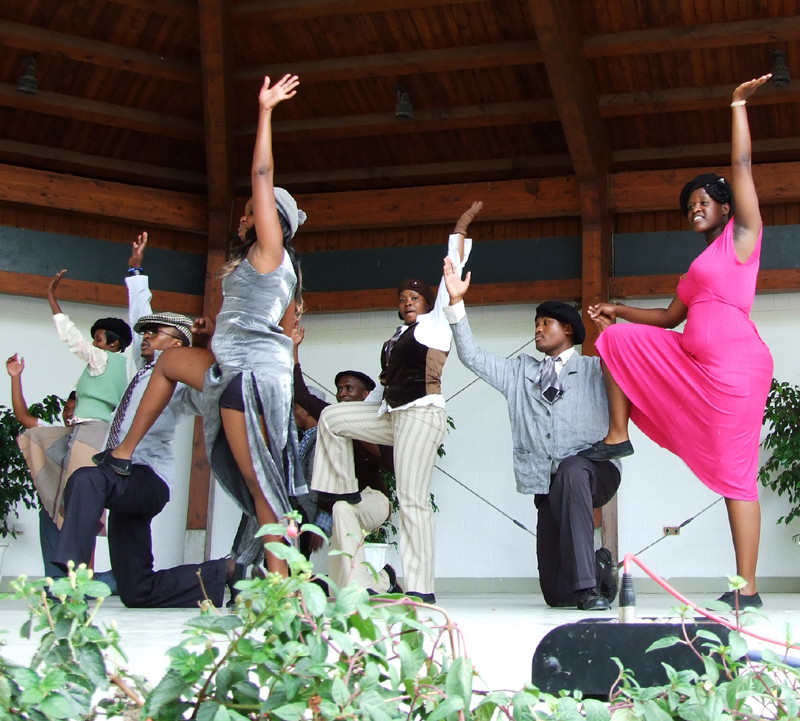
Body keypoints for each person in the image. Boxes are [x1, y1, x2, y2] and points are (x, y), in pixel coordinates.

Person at [95, 74, 307, 578]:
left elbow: (261, 172)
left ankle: (283, 588)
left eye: (252, 212)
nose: (243, 217)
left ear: (268, 217)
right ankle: (122, 454)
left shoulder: (271, 249)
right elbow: (259, 321)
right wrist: (214, 331)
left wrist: (265, 112)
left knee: (261, 487)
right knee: (166, 360)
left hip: (250, 377)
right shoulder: (254, 264)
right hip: (228, 362)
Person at [581, 75, 774, 610]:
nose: (694, 208)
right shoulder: (696, 269)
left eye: (703, 200)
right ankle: (619, 433)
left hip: (738, 367)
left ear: (725, 207)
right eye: (688, 204)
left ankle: (747, 590)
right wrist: (616, 309)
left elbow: (741, 169)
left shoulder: (743, 239)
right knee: (617, 341)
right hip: (692, 358)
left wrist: (736, 105)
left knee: (737, 474)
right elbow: (666, 319)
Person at [311, 201, 481, 604]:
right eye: (402, 297)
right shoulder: (396, 336)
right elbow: (383, 388)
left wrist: (459, 230)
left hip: (421, 416)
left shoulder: (436, 324)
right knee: (333, 417)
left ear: (427, 303)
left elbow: (451, 273)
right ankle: (342, 492)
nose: (408, 301)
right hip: (391, 414)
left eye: (415, 297)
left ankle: (421, 586)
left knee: (411, 500)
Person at [51, 231, 234, 607]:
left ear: (179, 344)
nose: (146, 336)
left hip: (145, 478)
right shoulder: (141, 368)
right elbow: (140, 314)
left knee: (86, 480)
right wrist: (136, 273)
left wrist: (211, 347)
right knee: (136, 590)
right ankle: (228, 573)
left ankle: (69, 581)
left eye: (156, 333)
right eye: (145, 333)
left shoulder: (180, 383)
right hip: (121, 478)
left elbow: (212, 390)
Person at [442, 261, 620, 610]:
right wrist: (456, 305)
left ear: (567, 330)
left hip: (596, 472)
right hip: (547, 485)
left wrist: (612, 336)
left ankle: (587, 589)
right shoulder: (519, 372)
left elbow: (628, 370)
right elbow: (473, 357)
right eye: (536, 324)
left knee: (572, 469)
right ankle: (599, 567)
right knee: (555, 596)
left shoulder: (593, 367)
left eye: (545, 323)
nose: (537, 330)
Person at [16, 273, 132, 534]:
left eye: (98, 339)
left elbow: (71, 338)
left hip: (91, 431)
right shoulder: (119, 366)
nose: (93, 343)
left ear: (113, 344)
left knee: (78, 502)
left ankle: (82, 562)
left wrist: (51, 298)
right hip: (91, 431)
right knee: (47, 447)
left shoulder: (101, 359)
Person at [292, 326, 398, 595]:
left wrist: (361, 436)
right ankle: (379, 581)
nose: (341, 394)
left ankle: (359, 584)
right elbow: (302, 395)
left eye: (348, 389)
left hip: (375, 499)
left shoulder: (378, 421)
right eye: (339, 389)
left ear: (364, 395)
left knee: (342, 510)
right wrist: (294, 349)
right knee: (341, 513)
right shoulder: (331, 418)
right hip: (345, 503)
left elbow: (394, 467)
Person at [7, 355, 116, 590]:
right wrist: (16, 377)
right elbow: (23, 417)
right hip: (54, 508)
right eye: (66, 409)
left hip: (78, 507)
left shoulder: (97, 439)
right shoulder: (57, 434)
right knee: (47, 516)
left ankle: (89, 583)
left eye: (74, 410)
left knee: (85, 530)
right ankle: (59, 584)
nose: (68, 414)